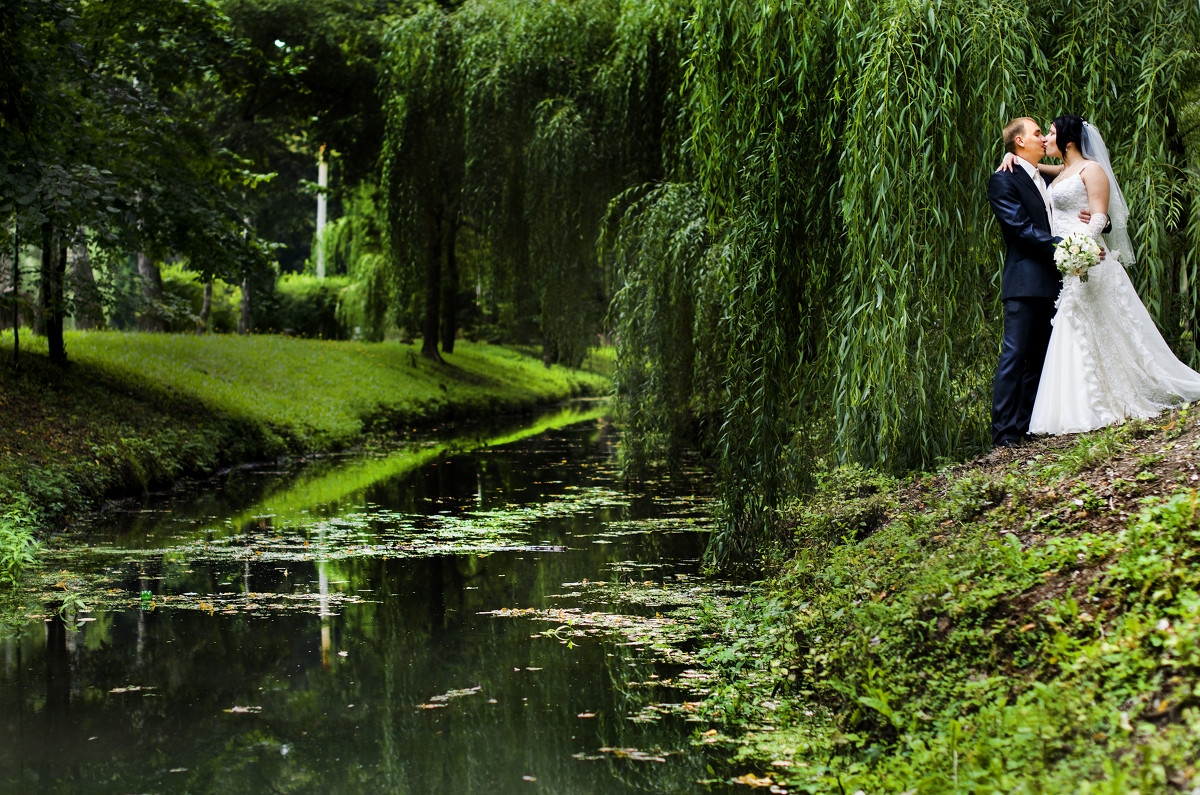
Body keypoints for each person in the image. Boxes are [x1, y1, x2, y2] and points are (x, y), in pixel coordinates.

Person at [1004, 114, 1200, 435]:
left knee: (1109, 330)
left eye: (1050, 133)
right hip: (1072, 264)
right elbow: (1033, 169)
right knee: (1077, 329)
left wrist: (1082, 246)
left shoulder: (1091, 170)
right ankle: (1079, 405)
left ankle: (1116, 396)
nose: (1045, 139)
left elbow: (1099, 216)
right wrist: (1012, 153)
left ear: (1067, 141)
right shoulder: (1065, 170)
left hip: (1089, 259)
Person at [987, 117, 1062, 448]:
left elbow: (1077, 173)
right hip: (1024, 280)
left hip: (1053, 281)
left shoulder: (1040, 177)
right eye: (1036, 134)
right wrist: (1065, 247)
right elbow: (1018, 227)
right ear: (1019, 142)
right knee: (1015, 355)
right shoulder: (1004, 180)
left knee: (1041, 357)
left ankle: (1027, 424)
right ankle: (1004, 434)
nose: (1043, 138)